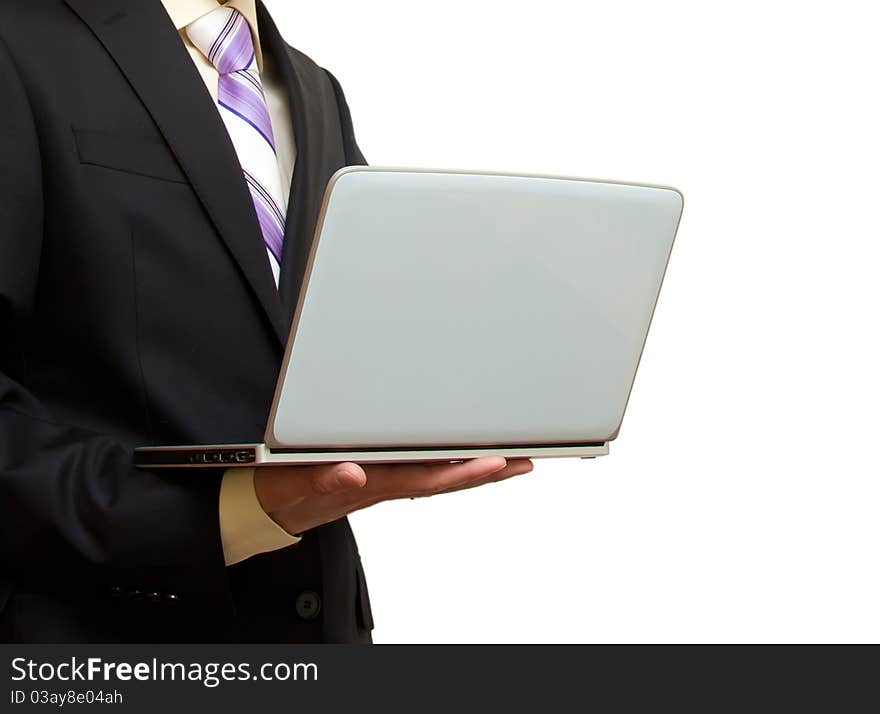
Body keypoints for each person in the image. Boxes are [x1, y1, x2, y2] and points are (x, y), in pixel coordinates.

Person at [0, 0, 533, 643]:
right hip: (96, 638)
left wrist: (443, 390)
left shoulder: (313, 88)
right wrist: (234, 512)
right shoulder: (17, 43)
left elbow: (318, 343)